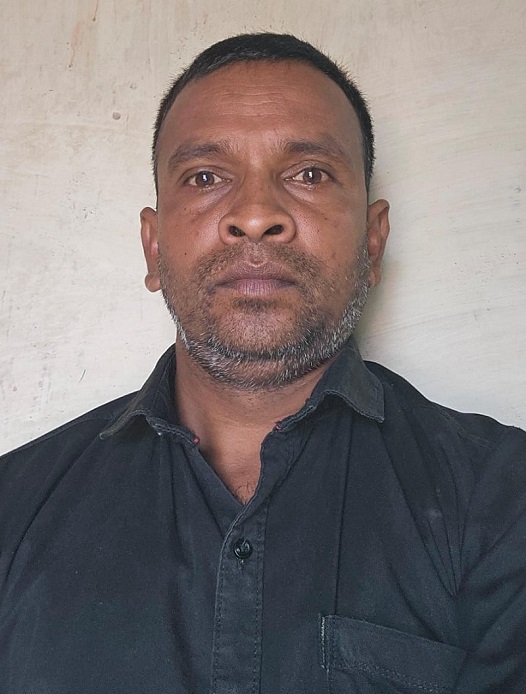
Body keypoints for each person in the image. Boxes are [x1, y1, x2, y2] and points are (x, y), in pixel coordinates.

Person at [0, 32, 525, 694]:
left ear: (372, 242)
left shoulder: (502, 501)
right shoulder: (13, 510)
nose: (254, 216)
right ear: (153, 248)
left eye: (309, 174)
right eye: (205, 177)